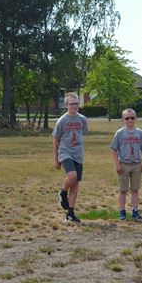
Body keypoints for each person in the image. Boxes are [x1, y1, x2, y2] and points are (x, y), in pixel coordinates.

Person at [53, 93, 88, 223]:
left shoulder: (82, 119)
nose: (75, 106)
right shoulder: (62, 121)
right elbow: (56, 140)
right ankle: (62, 193)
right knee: (72, 176)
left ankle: (70, 213)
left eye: (77, 103)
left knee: (75, 184)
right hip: (65, 152)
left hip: (78, 154)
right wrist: (56, 159)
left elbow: (82, 133)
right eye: (72, 104)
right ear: (66, 105)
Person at [110, 108, 142, 221]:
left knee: (135, 189)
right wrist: (117, 164)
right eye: (127, 118)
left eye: (132, 117)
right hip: (124, 164)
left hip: (136, 164)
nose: (130, 120)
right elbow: (114, 149)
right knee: (123, 190)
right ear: (123, 120)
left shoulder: (139, 133)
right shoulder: (120, 133)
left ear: (135, 119)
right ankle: (122, 211)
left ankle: (135, 211)